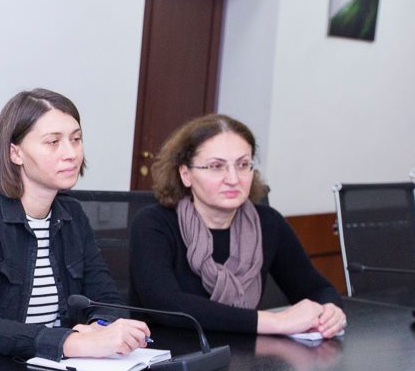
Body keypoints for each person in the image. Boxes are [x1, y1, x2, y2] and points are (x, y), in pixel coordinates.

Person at [0, 88, 151, 360]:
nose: (71, 153)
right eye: (53, 142)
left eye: (76, 139)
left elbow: (108, 299)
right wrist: (72, 342)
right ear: (15, 153)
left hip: (53, 367)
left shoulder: (72, 214)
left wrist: (100, 328)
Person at [129, 113, 345, 336]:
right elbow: (166, 305)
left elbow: (317, 289)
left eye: (243, 165)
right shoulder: (153, 223)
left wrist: (329, 311)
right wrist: (273, 321)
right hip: (172, 352)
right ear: (186, 174)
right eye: (216, 166)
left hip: (246, 352)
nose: (233, 179)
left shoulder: (268, 223)